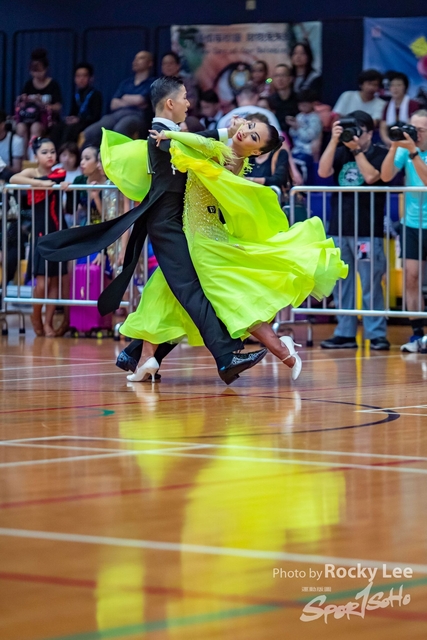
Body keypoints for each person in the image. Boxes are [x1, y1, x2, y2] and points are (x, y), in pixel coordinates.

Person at [38, 76, 268, 385]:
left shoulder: (173, 135)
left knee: (174, 295)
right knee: (191, 291)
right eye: (184, 97)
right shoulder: (160, 135)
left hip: (176, 224)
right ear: (170, 103)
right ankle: (226, 357)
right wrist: (228, 132)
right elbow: (197, 140)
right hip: (166, 225)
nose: (189, 103)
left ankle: (134, 354)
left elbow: (198, 145)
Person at [107, 119, 346, 383]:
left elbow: (200, 142)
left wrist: (174, 135)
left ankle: (281, 348)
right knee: (162, 292)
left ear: (256, 151)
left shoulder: (226, 155)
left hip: (203, 241)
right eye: (250, 126)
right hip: (195, 236)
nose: (245, 132)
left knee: (227, 298)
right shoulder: (228, 153)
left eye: (253, 136)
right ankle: (145, 359)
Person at [318, 110, 391, 350]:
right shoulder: (340, 151)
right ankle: (345, 333)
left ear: (370, 133)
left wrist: (358, 151)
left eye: (360, 130)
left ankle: (376, 333)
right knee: (342, 284)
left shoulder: (379, 153)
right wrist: (333, 140)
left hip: (367, 229)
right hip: (339, 227)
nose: (354, 135)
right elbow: (323, 172)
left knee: (371, 283)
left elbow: (371, 177)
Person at [10, 138, 68, 337]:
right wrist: (38, 183)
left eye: (52, 151)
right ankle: (36, 316)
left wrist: (58, 185)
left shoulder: (59, 173)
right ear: (35, 156)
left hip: (58, 230)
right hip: (40, 232)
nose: (50, 155)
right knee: (42, 282)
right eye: (44, 152)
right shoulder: (32, 173)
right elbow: (13, 179)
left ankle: (48, 322)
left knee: (54, 280)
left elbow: (60, 180)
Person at [381, 110, 427, 352]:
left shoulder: (414, 152)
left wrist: (413, 153)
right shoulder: (405, 150)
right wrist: (394, 146)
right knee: (411, 278)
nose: (415, 134)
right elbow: (386, 175)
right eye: (412, 128)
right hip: (411, 224)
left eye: (420, 130)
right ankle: (418, 334)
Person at [83, 51, 156, 147]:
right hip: (116, 114)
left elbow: (141, 100)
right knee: (90, 132)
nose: (136, 61)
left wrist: (124, 97)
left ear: (150, 63)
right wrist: (133, 101)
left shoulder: (153, 82)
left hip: (136, 115)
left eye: (141, 58)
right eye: (135, 59)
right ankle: (93, 155)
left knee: (120, 129)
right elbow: (113, 104)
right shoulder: (126, 83)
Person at [15, 48, 62, 154]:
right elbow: (21, 104)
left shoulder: (53, 85)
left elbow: (58, 107)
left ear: (46, 69)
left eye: (40, 71)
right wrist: (22, 101)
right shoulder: (28, 84)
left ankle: (34, 158)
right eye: (34, 72)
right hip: (28, 118)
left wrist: (43, 104)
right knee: (20, 128)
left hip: (46, 121)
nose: (37, 75)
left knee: (35, 127)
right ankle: (22, 158)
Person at [51, 63, 103, 147]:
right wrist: (70, 118)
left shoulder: (96, 94)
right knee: (58, 127)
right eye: (78, 76)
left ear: (91, 78)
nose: (81, 79)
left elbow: (95, 117)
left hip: (88, 123)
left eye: (84, 76)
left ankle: (67, 152)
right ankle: (54, 151)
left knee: (71, 129)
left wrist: (79, 120)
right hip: (77, 122)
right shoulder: (76, 95)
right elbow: (73, 112)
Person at [244, 113, 289, 192]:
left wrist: (250, 180)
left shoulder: (280, 153)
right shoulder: (245, 154)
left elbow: (279, 179)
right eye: (249, 127)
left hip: (272, 196)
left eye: (257, 128)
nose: (250, 133)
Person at [287, 89, 322, 184]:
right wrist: (293, 127)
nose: (302, 107)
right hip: (296, 150)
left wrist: (297, 127)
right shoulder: (299, 116)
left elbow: (309, 136)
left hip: (308, 151)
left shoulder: (315, 118)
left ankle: (305, 186)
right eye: (300, 104)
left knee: (303, 168)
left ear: (312, 104)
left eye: (305, 105)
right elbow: (292, 134)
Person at [217, 84, 281, 132]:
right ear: (256, 97)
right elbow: (278, 139)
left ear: (238, 98)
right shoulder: (267, 114)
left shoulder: (224, 119)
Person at [380, 72, 419, 147]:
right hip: (391, 142)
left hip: (409, 141)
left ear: (405, 87)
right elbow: (383, 127)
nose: (395, 88)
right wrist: (387, 140)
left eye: (399, 85)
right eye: (392, 85)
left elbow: (413, 124)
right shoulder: (387, 106)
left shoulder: (413, 104)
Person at [268, 64, 299, 134]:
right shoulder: (269, 100)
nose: (280, 79)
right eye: (276, 76)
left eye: (283, 75)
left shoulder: (299, 99)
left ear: (291, 78)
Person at [0, 110, 25, 180]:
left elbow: (17, 170)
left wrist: (2, 165)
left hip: (8, 179)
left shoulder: (16, 141)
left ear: (2, 125)